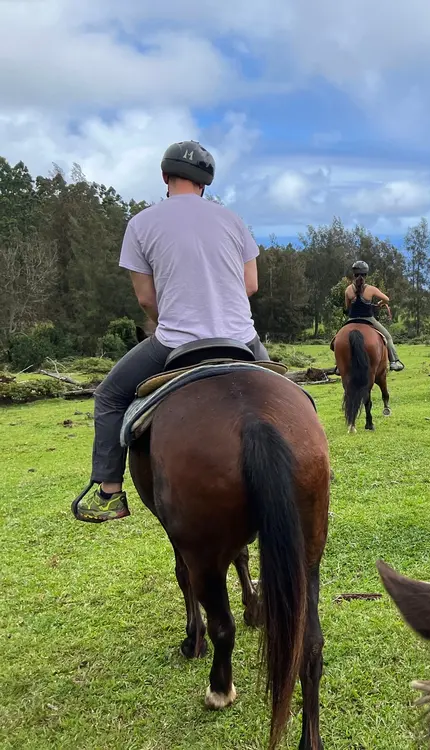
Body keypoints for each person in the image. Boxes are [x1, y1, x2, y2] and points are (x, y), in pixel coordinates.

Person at [71, 140, 270, 523]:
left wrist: (179, 312)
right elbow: (251, 285)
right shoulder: (232, 220)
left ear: (165, 176)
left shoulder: (141, 223)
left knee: (110, 396)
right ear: (205, 184)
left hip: (175, 342)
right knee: (291, 397)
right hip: (241, 338)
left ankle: (109, 492)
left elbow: (146, 299)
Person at [335, 260, 404, 372]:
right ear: (366, 275)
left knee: (337, 339)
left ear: (354, 274)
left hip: (352, 320)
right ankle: (394, 362)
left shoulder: (348, 290)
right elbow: (386, 299)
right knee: (387, 337)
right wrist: (379, 304)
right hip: (368, 319)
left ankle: (339, 365)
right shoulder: (371, 289)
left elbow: (348, 308)